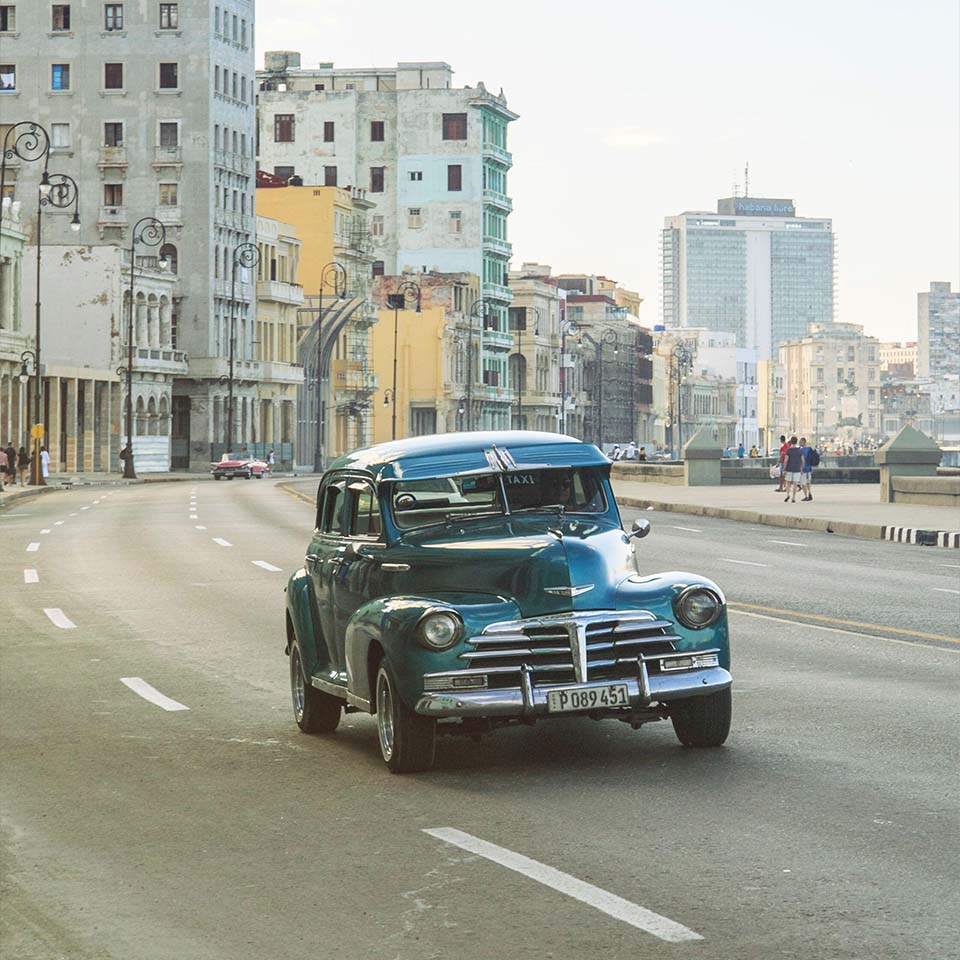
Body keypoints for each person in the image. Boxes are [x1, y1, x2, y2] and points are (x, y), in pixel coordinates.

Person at [783, 436, 805, 503]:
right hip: (797, 468)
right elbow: (803, 460)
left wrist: (784, 469)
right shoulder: (799, 451)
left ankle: (787, 495)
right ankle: (793, 497)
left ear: (791, 442)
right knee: (795, 484)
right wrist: (801, 468)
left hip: (789, 468)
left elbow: (786, 460)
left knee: (788, 482)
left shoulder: (788, 450)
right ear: (796, 442)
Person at [800, 437, 815, 501]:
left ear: (803, 442)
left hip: (804, 468)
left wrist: (801, 468)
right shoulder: (810, 449)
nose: (799, 443)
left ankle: (806, 496)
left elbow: (802, 460)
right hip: (810, 468)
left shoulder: (801, 450)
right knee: (808, 482)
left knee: (803, 483)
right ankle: (809, 493)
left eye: (800, 442)